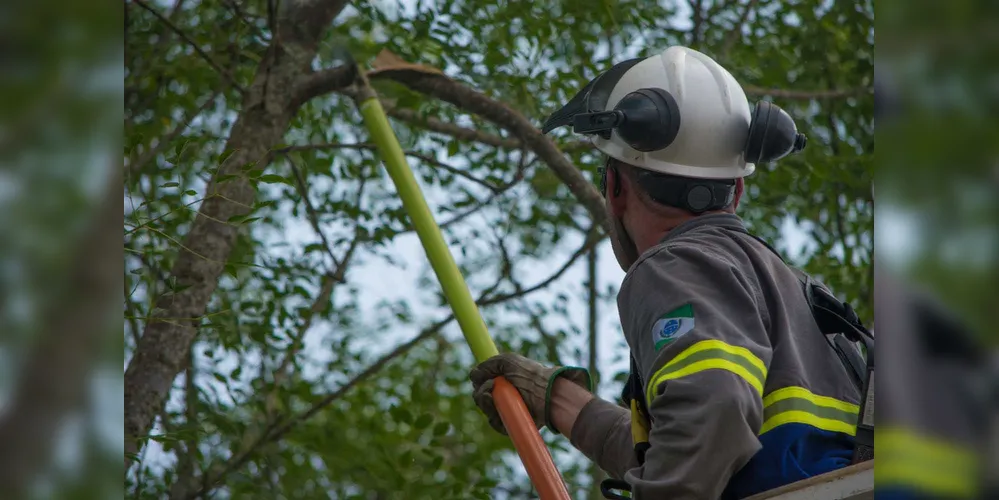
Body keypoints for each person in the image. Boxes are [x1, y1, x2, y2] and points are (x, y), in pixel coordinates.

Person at [469, 46, 870, 499]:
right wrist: (559, 400)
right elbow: (699, 448)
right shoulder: (800, 296)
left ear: (614, 186)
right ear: (737, 190)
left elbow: (714, 408)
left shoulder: (676, 265)